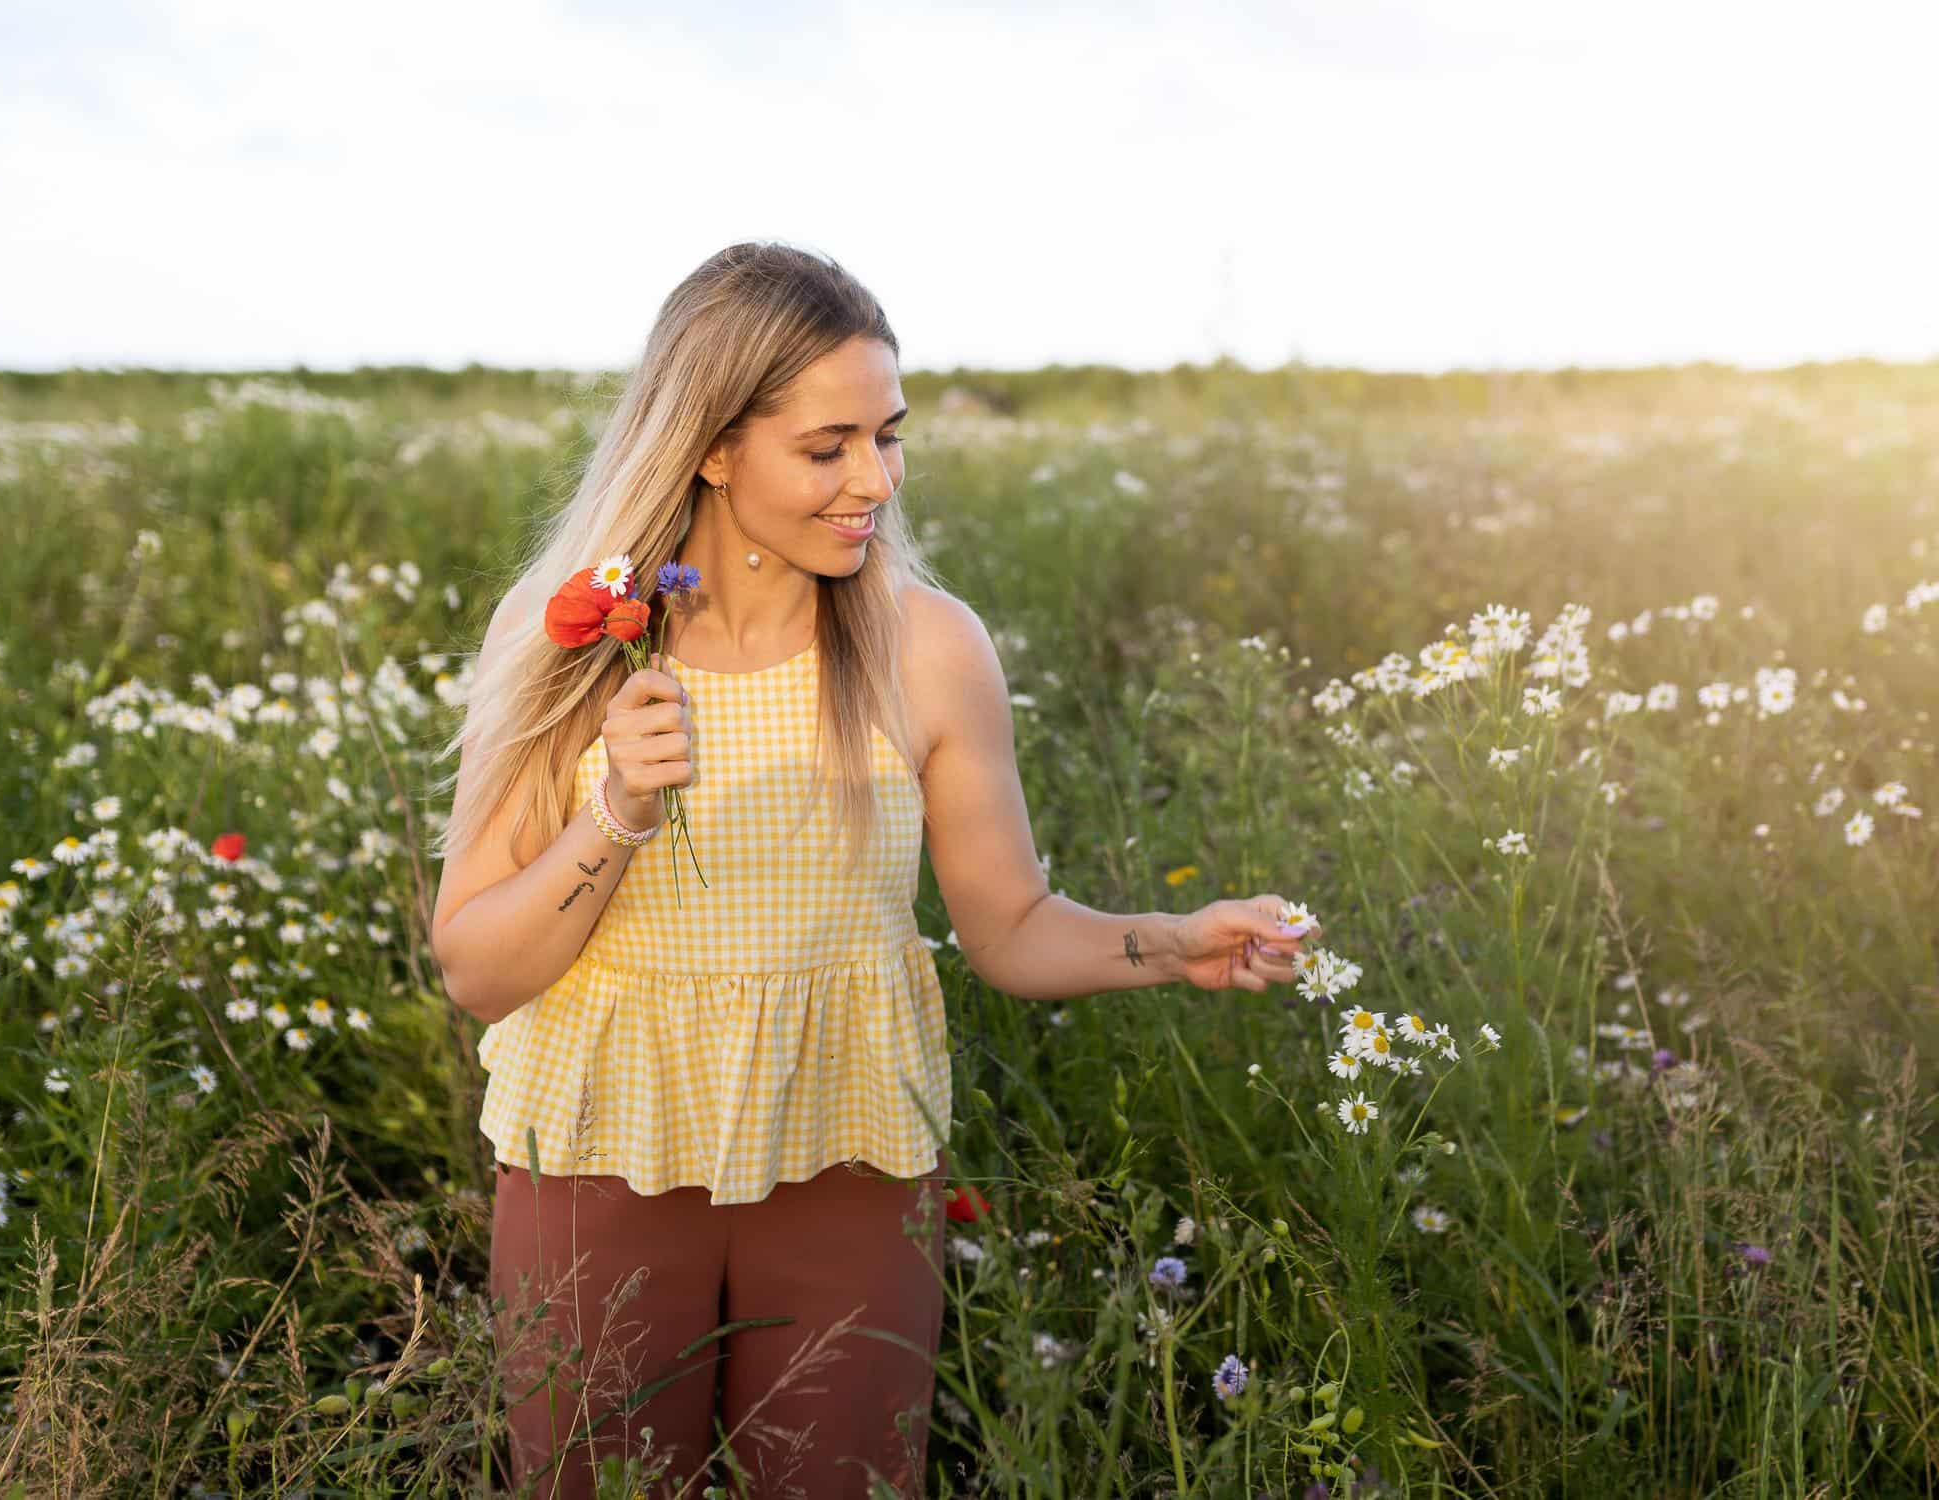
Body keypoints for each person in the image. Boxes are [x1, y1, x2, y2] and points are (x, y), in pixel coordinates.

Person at [426, 241, 1322, 1499]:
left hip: (846, 1157)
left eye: (888, 437)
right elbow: (474, 967)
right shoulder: (568, 632)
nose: (873, 483)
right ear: (713, 445)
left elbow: (1007, 927)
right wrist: (617, 811)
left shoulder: (929, 648)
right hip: (600, 1160)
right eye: (828, 445)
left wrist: (1175, 944)